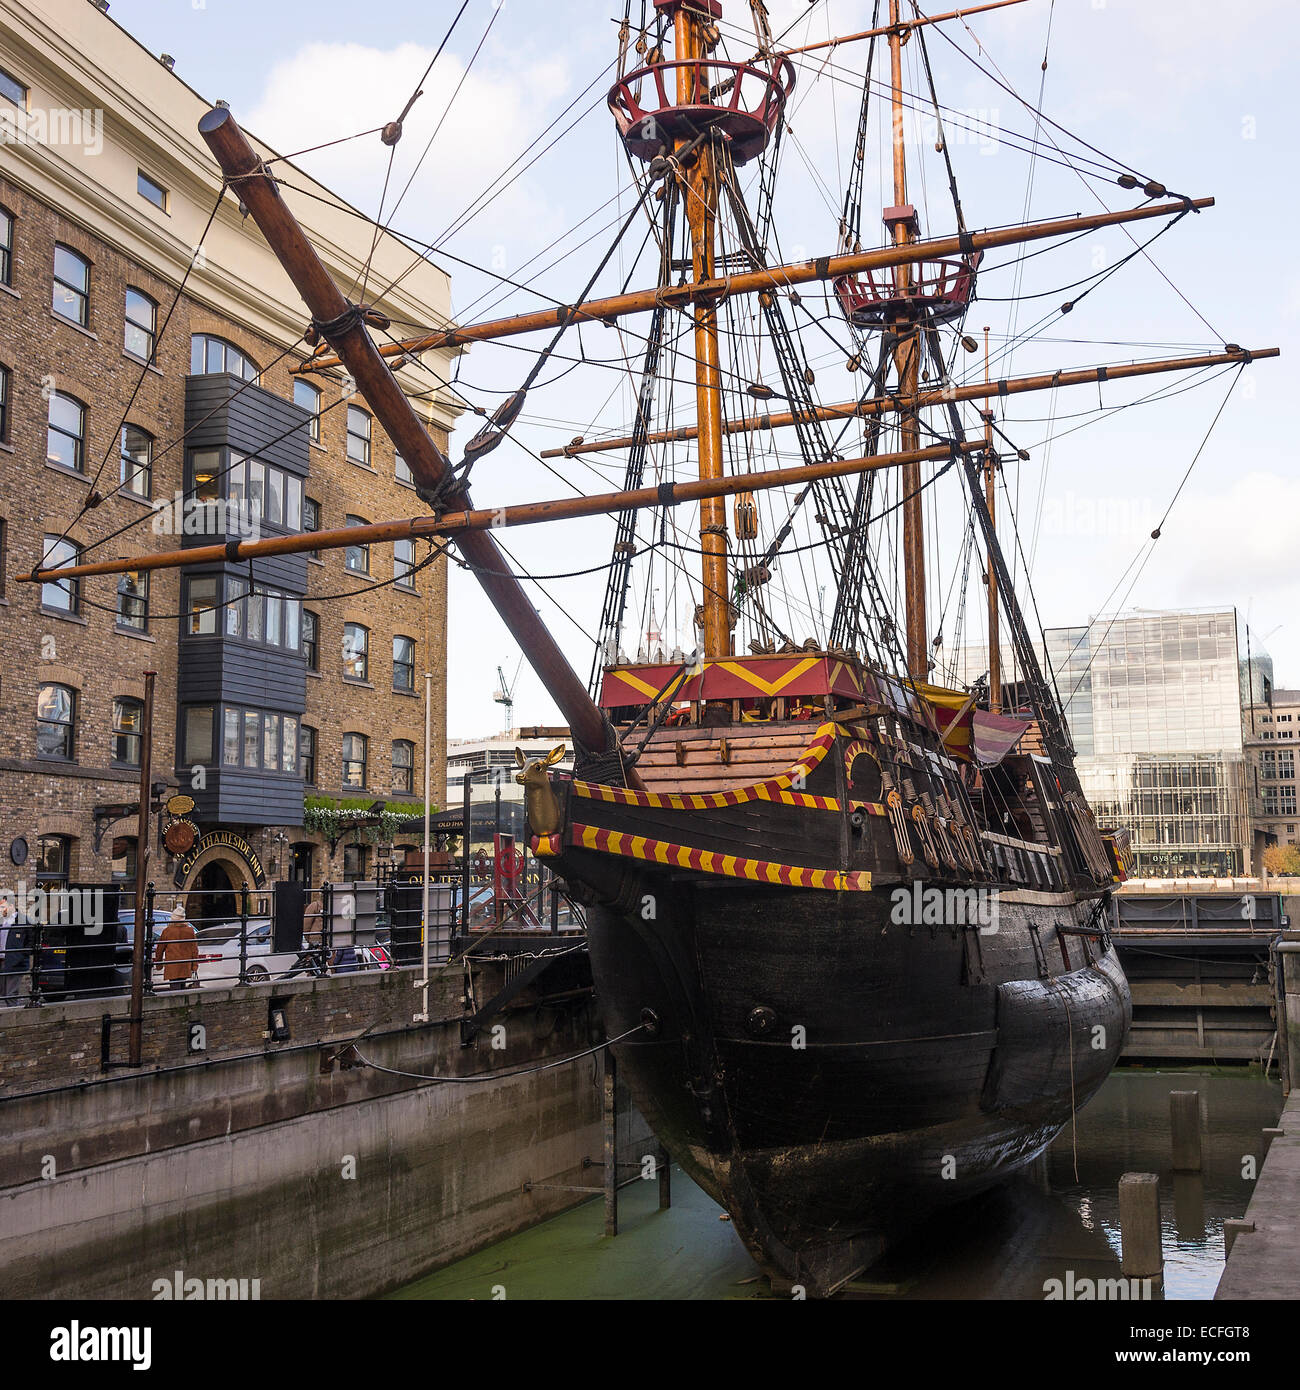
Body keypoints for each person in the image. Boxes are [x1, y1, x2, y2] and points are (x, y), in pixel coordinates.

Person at [153, 904, 199, 990]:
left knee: (174, 988)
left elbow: (159, 949)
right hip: (185, 964)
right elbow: (194, 950)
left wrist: (159, 964)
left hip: (172, 965)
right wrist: (194, 966)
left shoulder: (167, 931)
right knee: (182, 986)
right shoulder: (190, 931)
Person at [0, 896, 33, 1006]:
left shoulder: (24, 921)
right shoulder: (2, 920)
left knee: (10, 994)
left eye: (3, 907)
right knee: (3, 993)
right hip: (1, 960)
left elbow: (32, 942)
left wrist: (20, 956)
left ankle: (15, 1016)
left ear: (11, 906)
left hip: (15, 962)